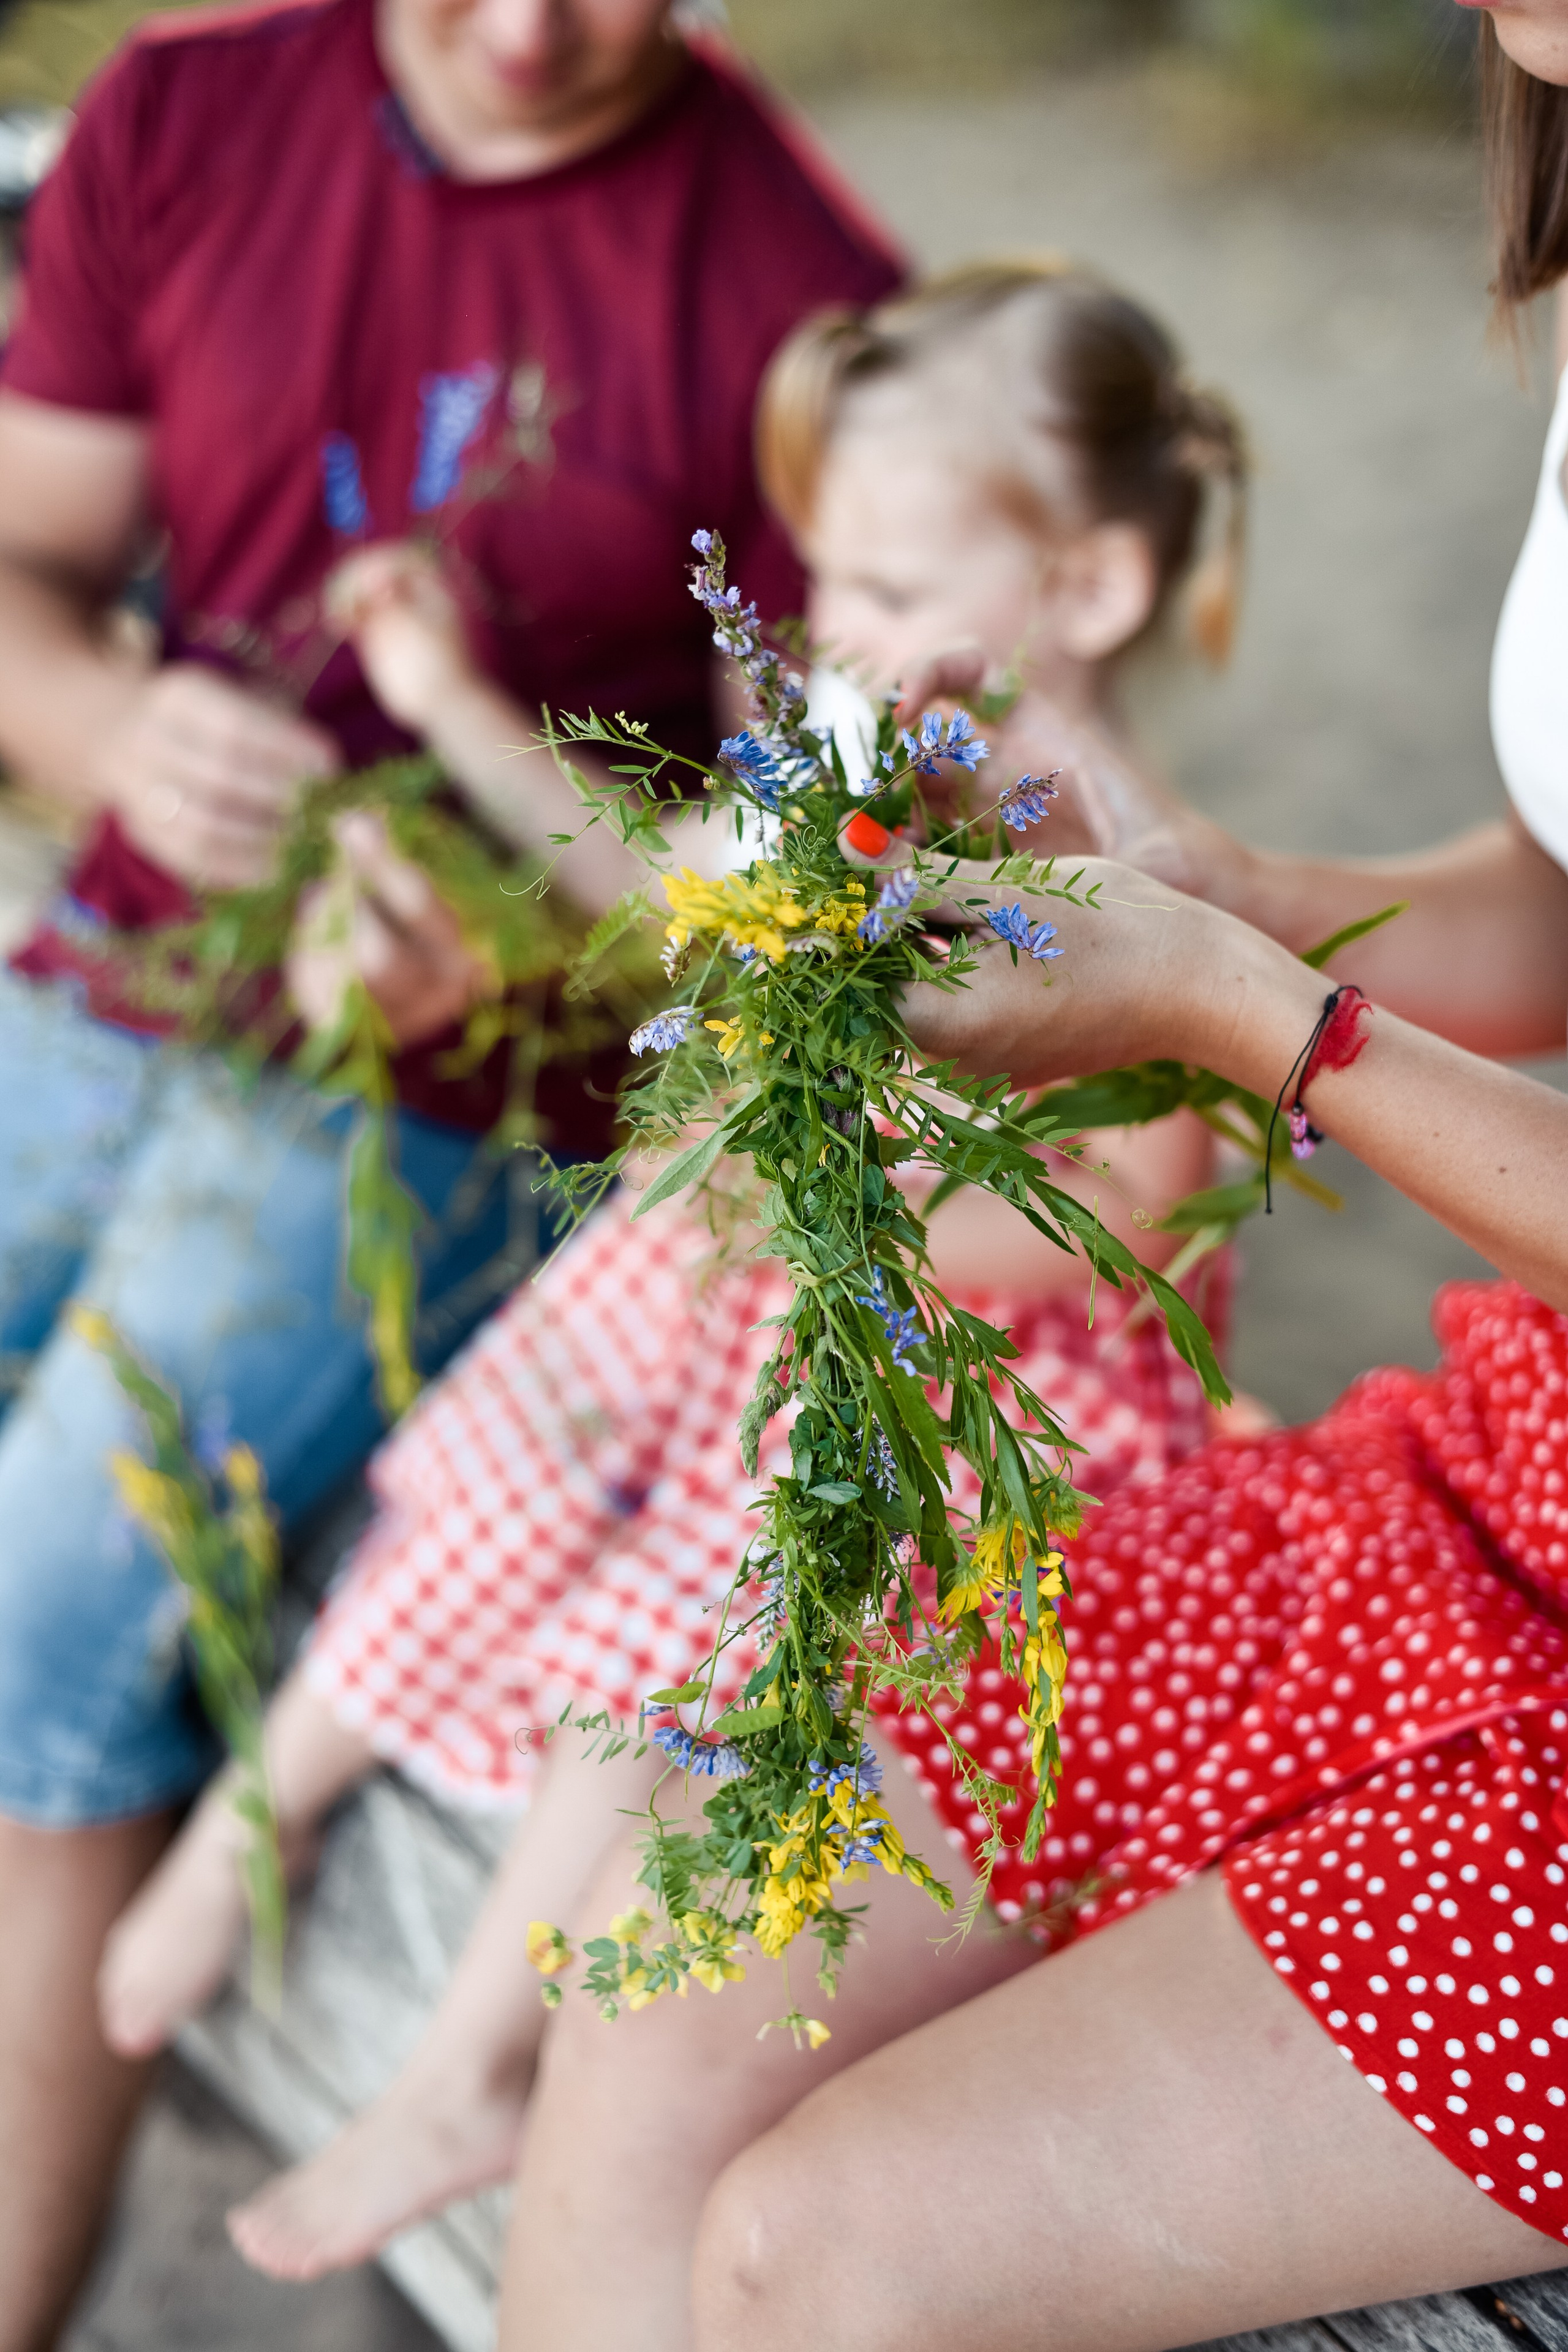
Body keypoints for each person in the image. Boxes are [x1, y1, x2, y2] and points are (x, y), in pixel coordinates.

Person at [464, 11, 1568, 2345]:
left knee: (825, 2250)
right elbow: (1563, 884)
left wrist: (1247, 1016)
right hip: (1522, 1456)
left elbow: (1181, 1150)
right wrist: (1225, 885)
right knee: (695, 1908)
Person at [91, 260, 1255, 2284]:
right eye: (829, 589)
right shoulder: (879, 783)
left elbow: (1141, 1206)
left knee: (713, 1580)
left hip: (978, 1377)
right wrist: (458, 707)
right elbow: (663, 909)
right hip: (787, 1293)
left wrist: (831, 1238)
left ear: (1085, 592)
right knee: (558, 1365)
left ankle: (468, 2060)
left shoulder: (1121, 863)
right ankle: (262, 1805)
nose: (840, 640)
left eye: (893, 593)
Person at [0, 0, 902, 2338]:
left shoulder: (811, 304)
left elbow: (800, 947)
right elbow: (24, 567)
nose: (524, 29)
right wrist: (105, 716)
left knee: (59, 1611)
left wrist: (508, 976)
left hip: (458, 1109)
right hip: (97, 974)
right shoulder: (185, 115)